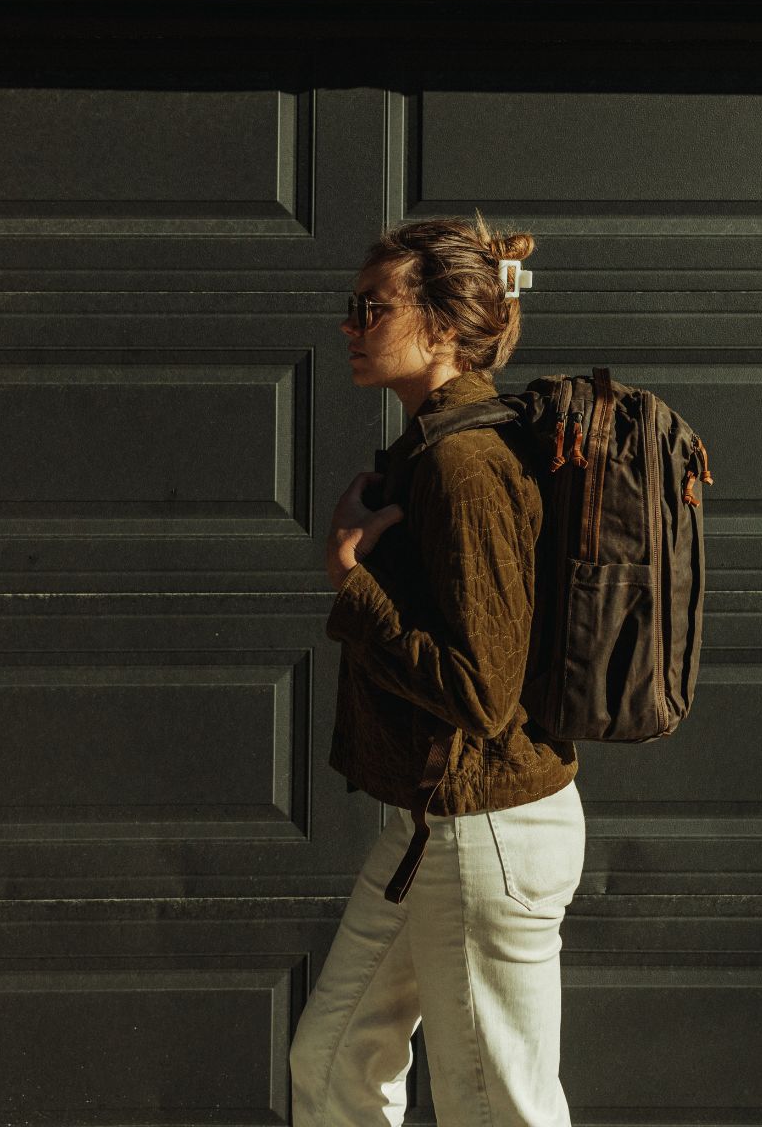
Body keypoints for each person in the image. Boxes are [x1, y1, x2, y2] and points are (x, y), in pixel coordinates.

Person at [289, 210, 585, 1127]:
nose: (349, 324)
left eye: (371, 308)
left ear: (445, 327)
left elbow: (482, 693)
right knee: (331, 1059)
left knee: (496, 1108)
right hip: (437, 820)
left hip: (489, 829)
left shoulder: (465, 464)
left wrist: (353, 581)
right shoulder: (434, 449)